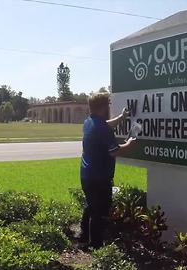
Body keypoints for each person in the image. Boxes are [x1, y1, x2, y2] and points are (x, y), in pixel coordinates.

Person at [79, 92, 136, 248]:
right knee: (100, 211)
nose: (109, 108)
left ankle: (83, 236)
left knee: (91, 207)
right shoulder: (104, 130)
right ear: (103, 107)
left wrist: (121, 117)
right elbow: (114, 151)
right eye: (108, 105)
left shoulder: (89, 122)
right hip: (100, 177)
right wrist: (130, 144)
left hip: (86, 175)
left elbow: (105, 124)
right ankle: (96, 245)